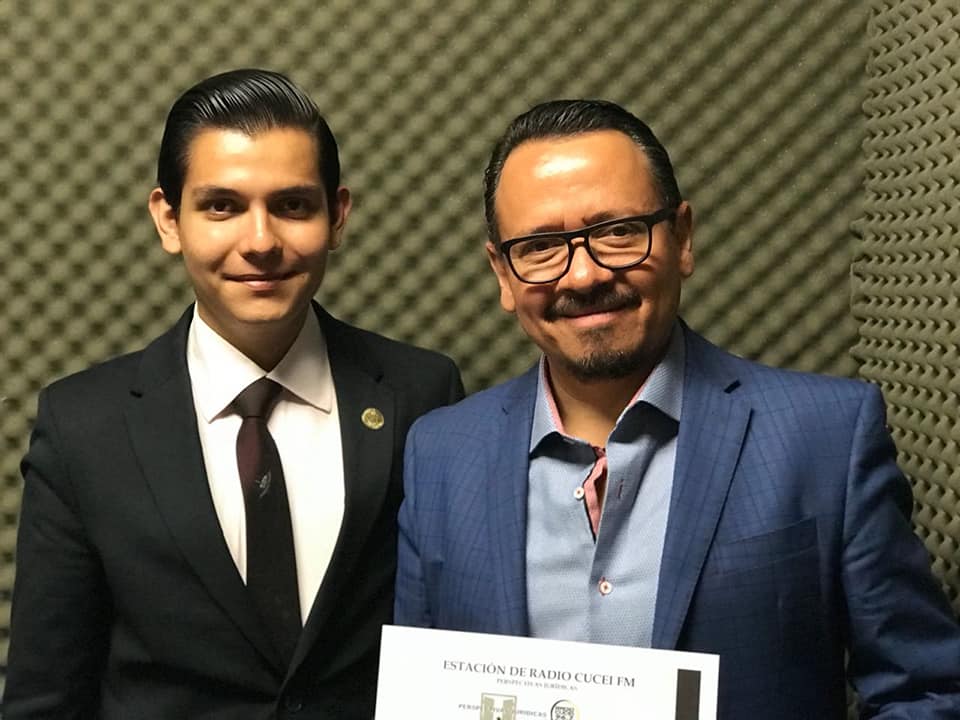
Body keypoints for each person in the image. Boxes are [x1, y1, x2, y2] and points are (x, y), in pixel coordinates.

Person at [394, 99, 960, 718]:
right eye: (541, 246)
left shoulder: (827, 436)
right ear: (503, 273)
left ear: (682, 238)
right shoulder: (439, 453)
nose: (582, 276)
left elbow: (925, 692)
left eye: (618, 232)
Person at [4, 68, 464, 719]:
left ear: (338, 216)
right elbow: (45, 696)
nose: (260, 242)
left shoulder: (422, 393)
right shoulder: (84, 426)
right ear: (169, 219)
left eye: (293, 206)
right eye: (222, 206)